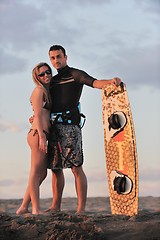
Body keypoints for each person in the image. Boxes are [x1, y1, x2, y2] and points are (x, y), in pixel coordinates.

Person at [47, 45, 122, 214]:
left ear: (66, 57)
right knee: (55, 168)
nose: (56, 61)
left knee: (75, 167)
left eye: (59, 56)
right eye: (52, 58)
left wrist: (110, 82)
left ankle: (80, 209)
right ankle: (55, 206)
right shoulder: (51, 81)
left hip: (71, 127)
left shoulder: (75, 74)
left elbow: (94, 83)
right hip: (53, 128)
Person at [16, 62, 52, 215]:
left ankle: (24, 206)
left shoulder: (46, 91)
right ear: (36, 78)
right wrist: (42, 137)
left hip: (41, 134)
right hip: (38, 134)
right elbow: (37, 114)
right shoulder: (38, 91)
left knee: (42, 173)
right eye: (42, 74)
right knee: (35, 172)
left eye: (47, 72)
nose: (46, 75)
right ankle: (36, 209)